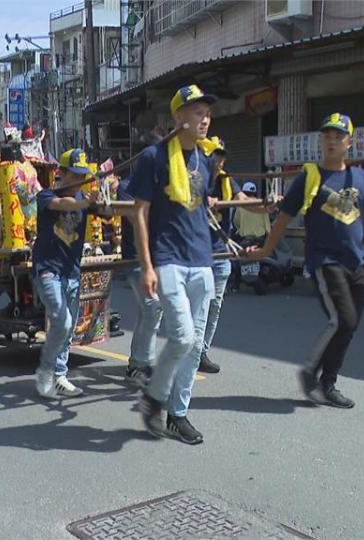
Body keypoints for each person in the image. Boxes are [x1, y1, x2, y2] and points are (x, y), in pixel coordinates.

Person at [248, 113, 364, 409]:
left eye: (339, 136)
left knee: (348, 326)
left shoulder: (360, 178)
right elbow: (284, 218)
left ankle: (329, 384)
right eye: (327, 135)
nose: (332, 141)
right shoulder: (310, 175)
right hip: (325, 261)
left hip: (357, 263)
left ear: (349, 143)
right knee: (344, 319)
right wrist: (265, 251)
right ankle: (311, 371)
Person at [130, 84, 222, 445]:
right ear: (179, 117)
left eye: (207, 113)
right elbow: (139, 212)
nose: (205, 119)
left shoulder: (208, 158)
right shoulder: (154, 157)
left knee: (195, 346)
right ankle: (154, 396)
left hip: (202, 260)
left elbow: (204, 203)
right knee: (181, 337)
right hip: (168, 258)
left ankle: (177, 414)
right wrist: (147, 266)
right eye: (198, 112)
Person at [32, 149, 106, 399]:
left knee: (68, 328)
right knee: (61, 322)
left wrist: (104, 202)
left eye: (83, 175)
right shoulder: (46, 195)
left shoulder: (85, 199)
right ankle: (45, 370)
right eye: (75, 175)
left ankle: (60, 376)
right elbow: (62, 204)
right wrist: (86, 201)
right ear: (61, 174)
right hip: (48, 270)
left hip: (72, 272)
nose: (80, 180)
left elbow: (110, 212)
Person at [198, 140, 275, 374]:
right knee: (197, 309)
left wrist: (266, 206)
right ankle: (188, 352)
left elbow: (244, 201)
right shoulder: (194, 178)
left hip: (221, 253)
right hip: (197, 255)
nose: (219, 161)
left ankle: (201, 352)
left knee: (214, 306)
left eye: (222, 156)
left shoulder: (227, 180)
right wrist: (203, 200)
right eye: (214, 156)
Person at [119, 172, 162, 389]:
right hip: (135, 259)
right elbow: (136, 216)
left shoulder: (162, 182)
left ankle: (138, 363)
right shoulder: (128, 185)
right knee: (152, 309)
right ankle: (140, 366)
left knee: (149, 312)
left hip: (158, 260)